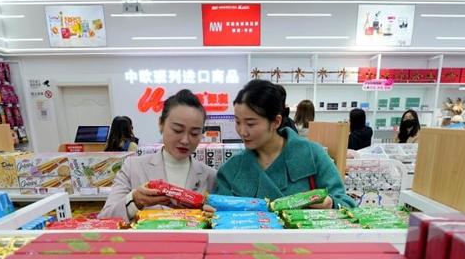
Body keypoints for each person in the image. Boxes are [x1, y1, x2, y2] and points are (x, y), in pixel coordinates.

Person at [214, 80, 355, 209]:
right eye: (238, 122)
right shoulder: (231, 169)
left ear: (276, 122)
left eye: (251, 123)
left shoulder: (312, 155)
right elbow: (219, 218)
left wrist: (330, 203)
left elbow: (346, 204)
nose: (242, 131)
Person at [100, 89, 216, 219]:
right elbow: (105, 218)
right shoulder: (133, 168)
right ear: (161, 124)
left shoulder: (211, 176)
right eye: (177, 130)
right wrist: (135, 201)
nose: (185, 140)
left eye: (194, 133)